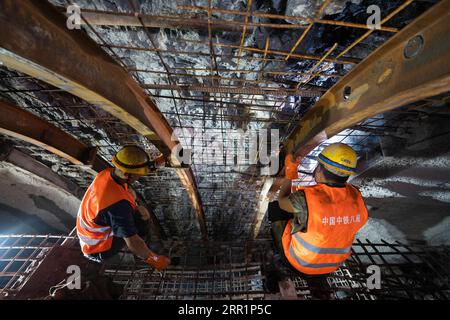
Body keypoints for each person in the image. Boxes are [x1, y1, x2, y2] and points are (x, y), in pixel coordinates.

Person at [267, 143, 368, 297]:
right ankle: (317, 284)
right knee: (304, 217)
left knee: (275, 208)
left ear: (319, 169)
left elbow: (282, 201)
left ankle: (278, 260)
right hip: (332, 264)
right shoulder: (356, 196)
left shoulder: (306, 199)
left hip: (299, 262)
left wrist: (290, 174)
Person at [76, 145, 170, 270]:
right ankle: (145, 243)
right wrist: (155, 260)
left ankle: (135, 235)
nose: (139, 177)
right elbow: (133, 242)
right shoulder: (118, 207)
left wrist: (162, 159)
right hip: (98, 248)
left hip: (90, 232)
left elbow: (138, 169)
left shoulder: (108, 173)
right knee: (143, 218)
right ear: (127, 174)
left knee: (134, 200)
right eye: (138, 175)